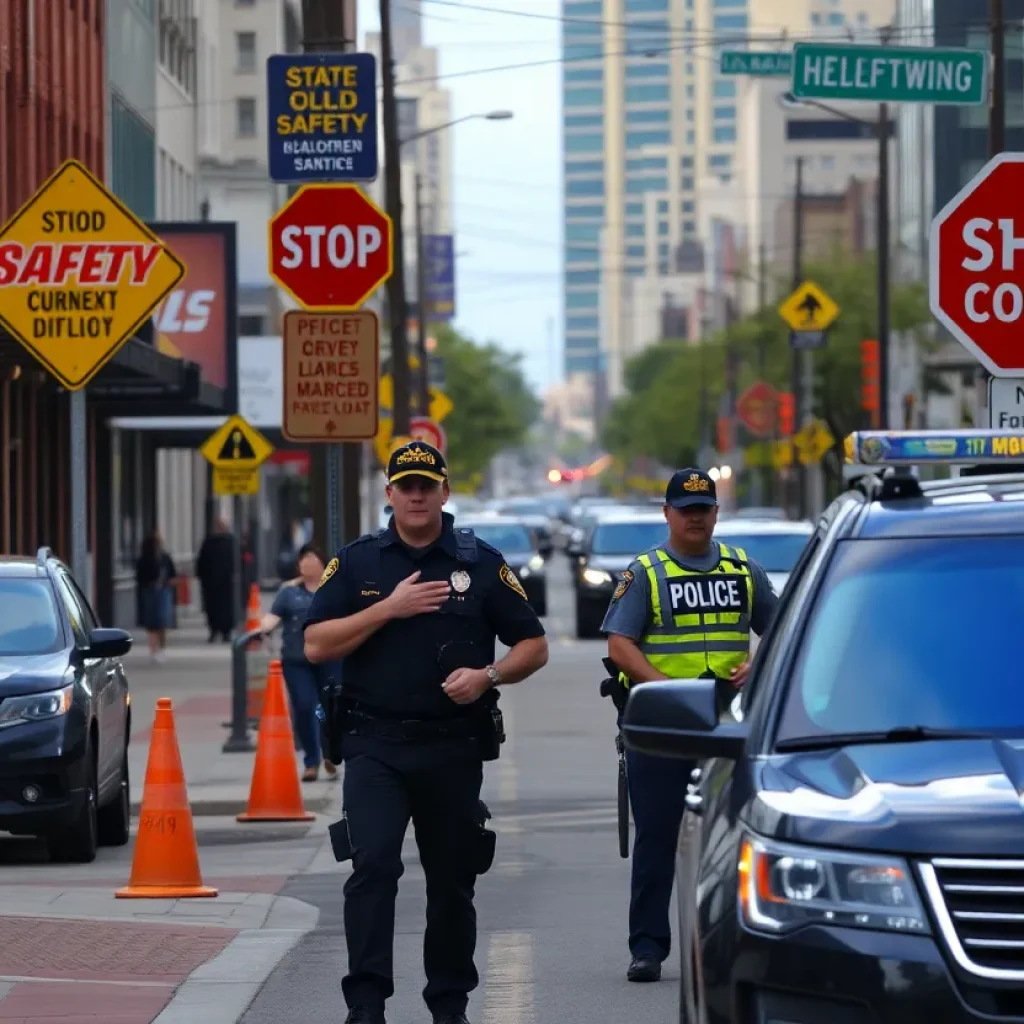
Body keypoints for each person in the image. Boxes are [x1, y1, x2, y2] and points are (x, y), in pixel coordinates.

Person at [303, 441, 549, 1024]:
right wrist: (389, 608)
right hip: (374, 744)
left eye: (426, 485)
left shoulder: (480, 563)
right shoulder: (358, 563)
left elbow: (533, 646)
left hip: (452, 746)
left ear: (444, 491)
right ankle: (365, 1005)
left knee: (452, 880)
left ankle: (449, 1004)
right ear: (389, 494)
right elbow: (316, 644)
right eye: (405, 486)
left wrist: (488, 675)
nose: (416, 495)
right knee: (374, 869)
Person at [601, 467, 779, 984]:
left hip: (728, 724)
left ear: (716, 513)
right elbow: (619, 644)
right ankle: (649, 948)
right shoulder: (646, 572)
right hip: (662, 726)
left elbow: (785, 629)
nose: (695, 517)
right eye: (686, 509)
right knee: (657, 838)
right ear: (667, 514)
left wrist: (760, 664)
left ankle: (728, 944)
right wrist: (663, 689)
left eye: (704, 508)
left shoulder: (744, 569)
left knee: (733, 841)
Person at [258, 542, 337, 782]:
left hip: (331, 657)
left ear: (323, 563)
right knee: (304, 706)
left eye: (312, 559)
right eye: (303, 560)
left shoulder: (335, 589)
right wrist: (262, 628)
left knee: (332, 708)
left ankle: (330, 753)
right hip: (296, 659)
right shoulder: (288, 592)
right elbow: (273, 617)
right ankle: (311, 761)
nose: (306, 564)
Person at [136, 529, 177, 662]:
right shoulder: (145, 558)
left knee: (162, 621)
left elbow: (172, 574)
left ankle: (161, 648)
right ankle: (153, 649)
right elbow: (140, 576)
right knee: (152, 622)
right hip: (150, 591)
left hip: (163, 591)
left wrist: (169, 583)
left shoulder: (165, 558)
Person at [195, 517, 237, 642]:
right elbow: (202, 562)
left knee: (227, 608)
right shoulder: (209, 542)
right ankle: (214, 630)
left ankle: (226, 632)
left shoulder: (231, 542)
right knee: (212, 609)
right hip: (211, 583)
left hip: (227, 583)